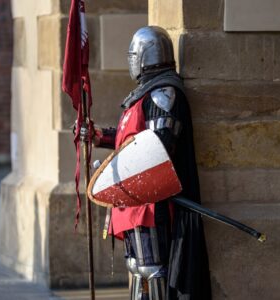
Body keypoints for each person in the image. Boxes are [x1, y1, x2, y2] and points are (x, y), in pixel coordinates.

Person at [88, 26, 211, 300]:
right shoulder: (143, 95)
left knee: (153, 269)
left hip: (151, 203)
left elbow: (157, 148)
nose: (130, 60)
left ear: (144, 57)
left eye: (133, 54)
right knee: (136, 266)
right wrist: (98, 137)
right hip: (133, 200)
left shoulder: (163, 94)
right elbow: (131, 142)